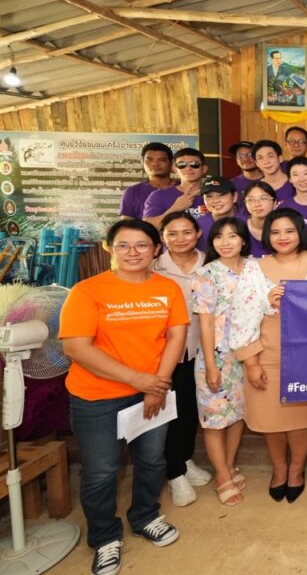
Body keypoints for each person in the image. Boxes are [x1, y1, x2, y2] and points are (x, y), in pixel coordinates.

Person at [60, 219, 189, 574]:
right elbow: (76, 347)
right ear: (109, 249)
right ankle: (104, 537)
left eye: (142, 245)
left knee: (152, 460)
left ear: (156, 249)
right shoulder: (86, 291)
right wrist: (139, 380)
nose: (133, 252)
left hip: (153, 391)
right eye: (123, 245)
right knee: (102, 471)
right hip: (97, 397)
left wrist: (158, 385)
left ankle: (145, 515)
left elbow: (176, 337)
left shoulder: (168, 288)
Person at [230, 208, 307, 504]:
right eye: (275, 232)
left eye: (289, 231)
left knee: (301, 418)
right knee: (270, 419)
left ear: (300, 232)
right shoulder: (255, 268)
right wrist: (251, 361)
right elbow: (242, 317)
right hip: (267, 354)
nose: (283, 237)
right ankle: (279, 469)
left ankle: (296, 470)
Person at [152, 212, 211, 508]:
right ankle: (174, 473)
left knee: (189, 410)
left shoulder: (210, 263)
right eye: (172, 233)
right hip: (164, 354)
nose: (180, 239)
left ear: (198, 233)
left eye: (186, 232)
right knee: (169, 413)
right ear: (163, 237)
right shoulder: (153, 268)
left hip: (200, 351)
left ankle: (185, 460)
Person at [192, 217, 252, 507]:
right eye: (219, 237)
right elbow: (205, 323)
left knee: (238, 414)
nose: (225, 242)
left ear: (243, 240)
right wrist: (211, 365)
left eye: (232, 236)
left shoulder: (254, 268)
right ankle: (222, 475)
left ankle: (228, 466)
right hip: (216, 357)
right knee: (215, 420)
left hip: (247, 354)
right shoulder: (207, 274)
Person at [143, 147, 208, 228]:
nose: (188, 168)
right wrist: (175, 208)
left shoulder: (216, 194)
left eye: (194, 164)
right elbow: (147, 227)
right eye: (181, 165)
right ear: (175, 169)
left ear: (204, 168)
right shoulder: (159, 195)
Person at [120, 142, 176, 220]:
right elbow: (127, 224)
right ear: (143, 162)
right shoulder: (132, 192)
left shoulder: (185, 188)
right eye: (149, 160)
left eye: (161, 160)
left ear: (171, 163)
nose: (155, 164)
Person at [196, 176, 238, 249]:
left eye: (222, 195)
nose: (215, 200)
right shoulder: (197, 225)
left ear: (234, 197)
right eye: (209, 196)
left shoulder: (248, 223)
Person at [241, 181, 277, 258]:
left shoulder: (283, 227)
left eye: (263, 198)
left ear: (275, 203)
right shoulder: (238, 227)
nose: (257, 204)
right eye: (251, 199)